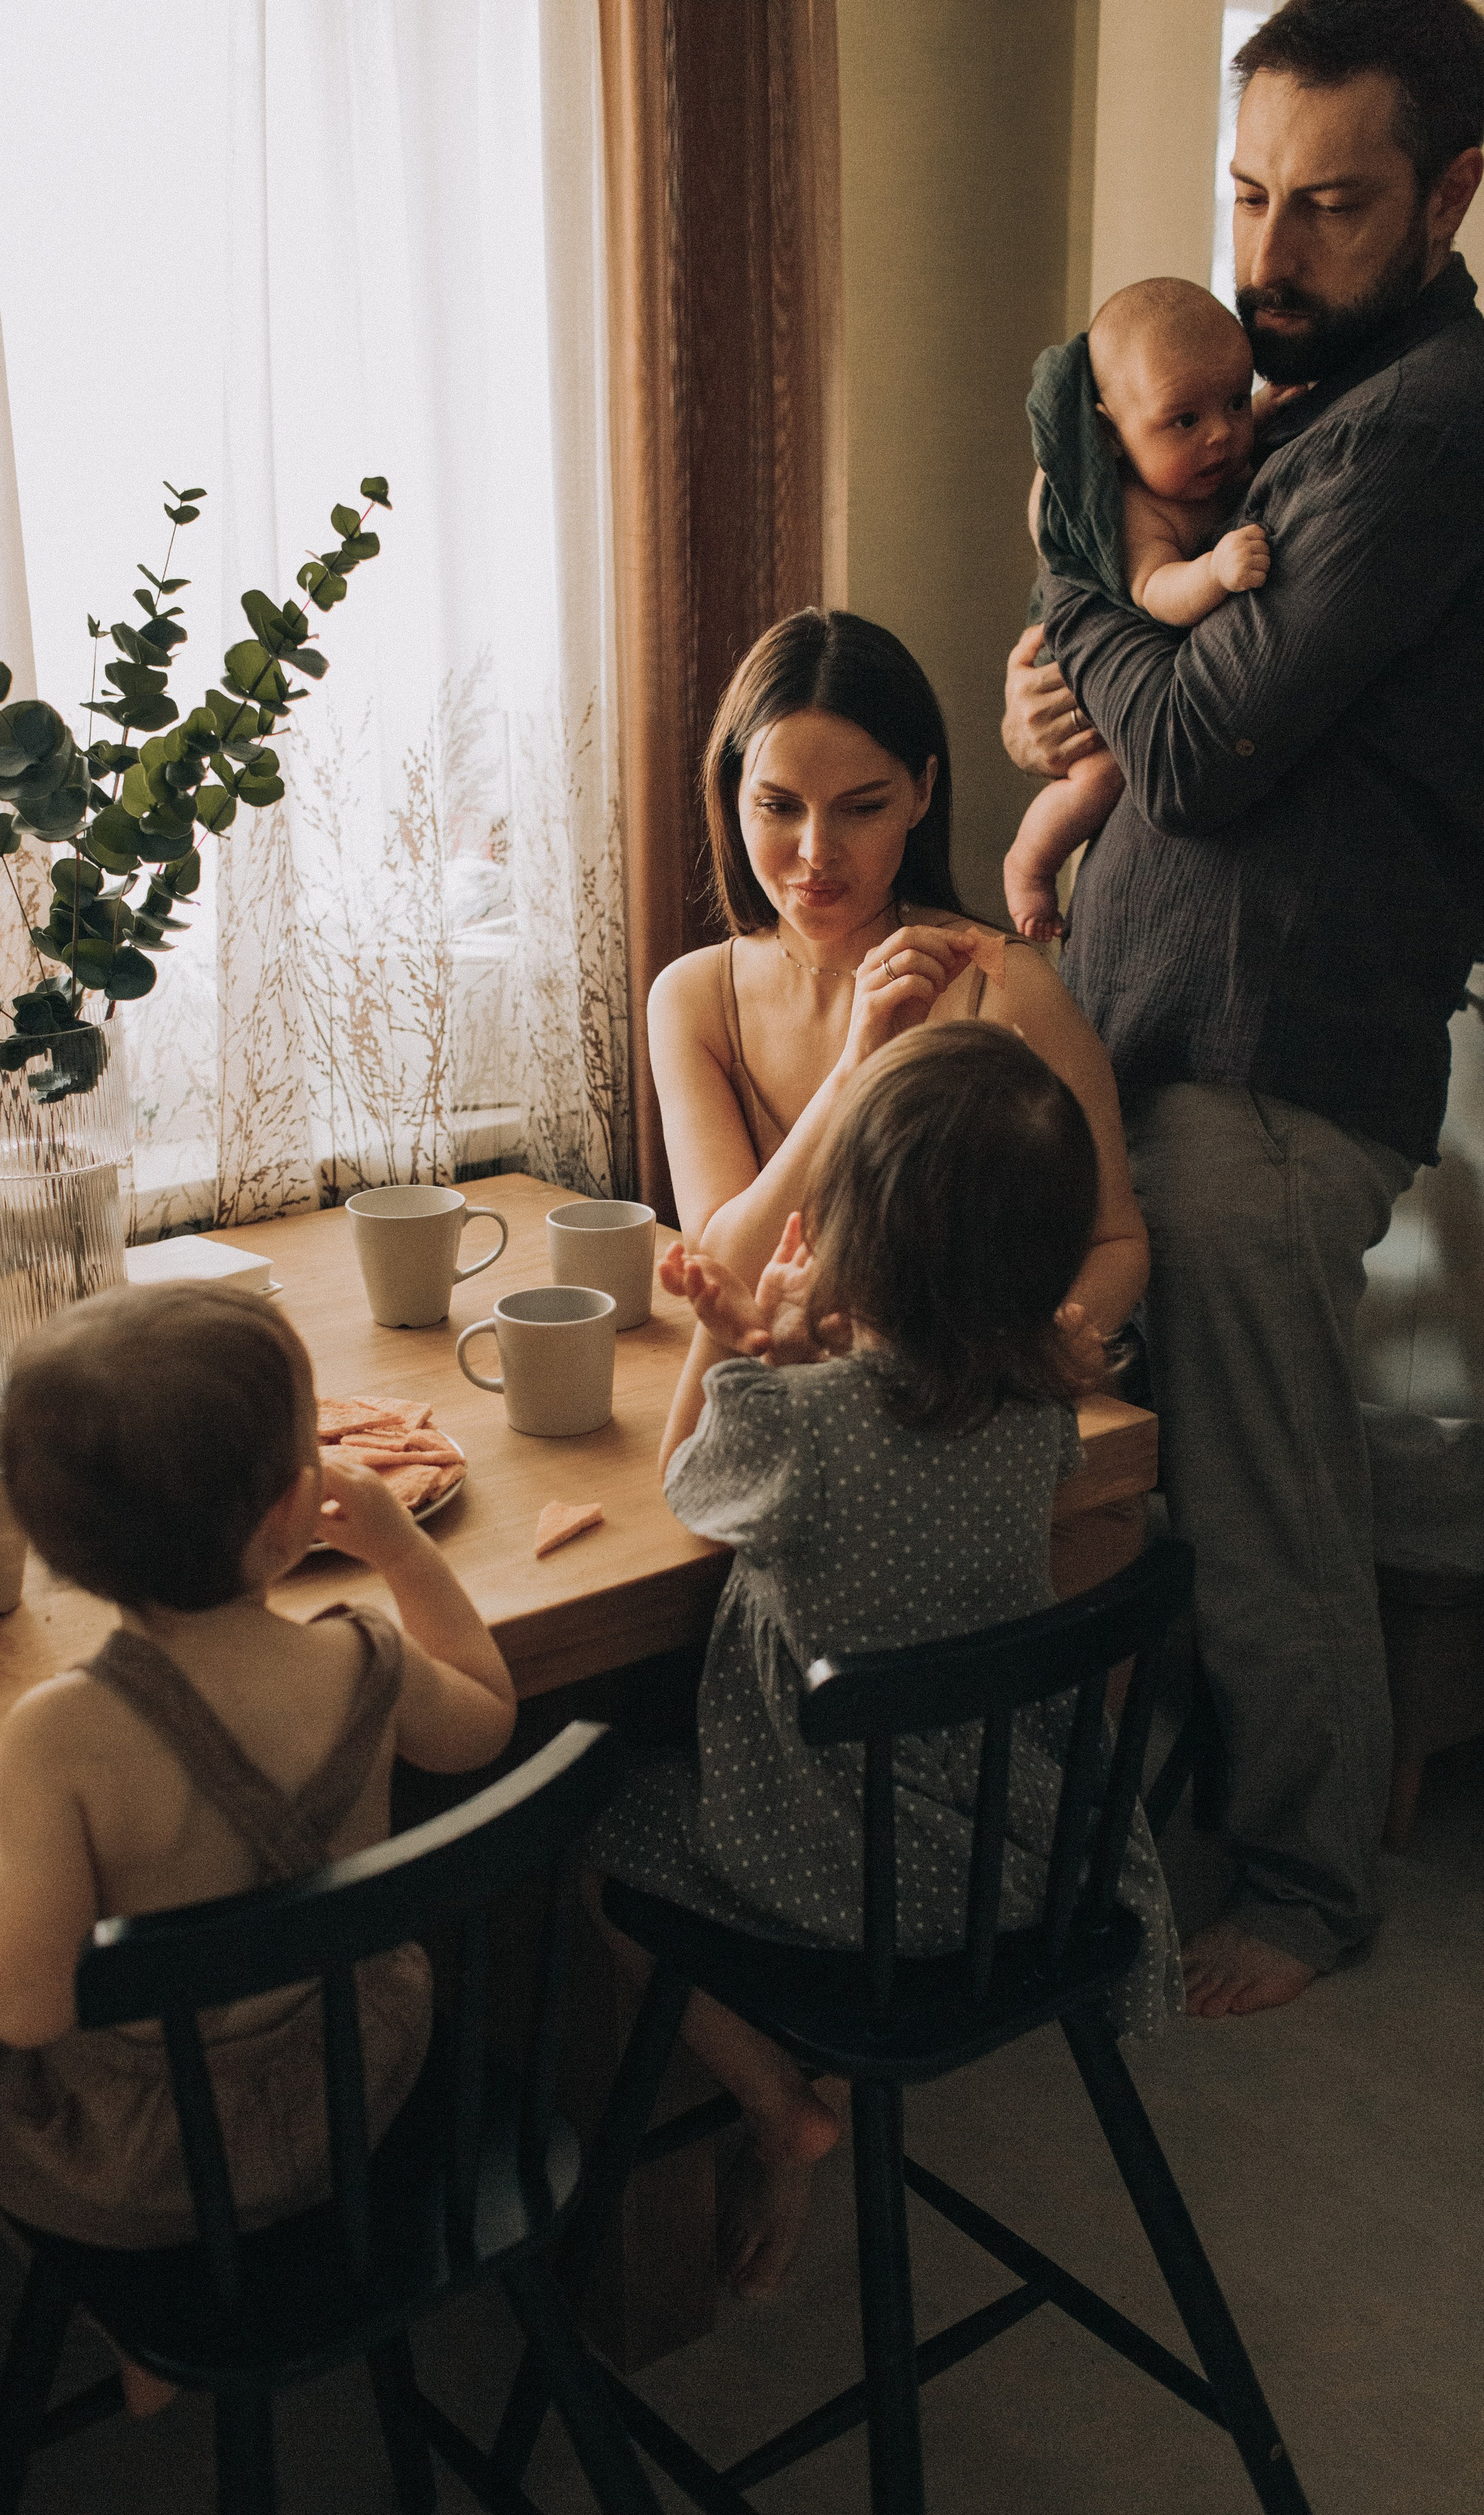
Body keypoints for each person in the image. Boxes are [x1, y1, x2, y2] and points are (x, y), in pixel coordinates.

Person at [1000, 0, 1484, 2017]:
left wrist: (1081, 631)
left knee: (1265, 1480)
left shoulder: (1427, 420)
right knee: (1098, 1442)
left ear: (1452, 195)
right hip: (1144, 1035)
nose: (1269, 254)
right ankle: (1083, 1812)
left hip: (1280, 1070)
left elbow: (1197, 748)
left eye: (1334, 205)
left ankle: (1302, 1882)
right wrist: (1075, 676)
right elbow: (1144, 689)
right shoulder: (1266, 406)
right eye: (1247, 194)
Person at [591, 1024, 1183, 2299]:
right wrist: (800, 1349)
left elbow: (684, 1486)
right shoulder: (1036, 1412)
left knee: (575, 1844)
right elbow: (922, 1421)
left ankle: (774, 2100)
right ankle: (782, 2108)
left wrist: (729, 1346)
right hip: (1006, 1862)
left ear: (844, 1231)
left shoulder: (800, 1424)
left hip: (834, 1881)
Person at [0, 1282, 514, 2412]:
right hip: (372, 2090)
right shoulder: (362, 1661)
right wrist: (395, 1548)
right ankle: (171, 2310)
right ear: (294, 1507)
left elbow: (21, 2004)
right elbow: (484, 1711)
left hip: (160, 2171)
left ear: (51, 1552)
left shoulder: (61, 1737)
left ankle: (128, 2312)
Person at [648, 608, 1149, 1400]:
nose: (816, 852)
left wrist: (1040, 1350)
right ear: (733, 793)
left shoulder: (1002, 982)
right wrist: (857, 1066)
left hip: (970, 1414)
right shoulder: (693, 998)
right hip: (781, 1413)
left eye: (862, 807)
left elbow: (1116, 1239)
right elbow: (725, 1271)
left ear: (920, 792)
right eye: (779, 807)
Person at [1004, 280, 1275, 942]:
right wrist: (1212, 571)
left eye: (1235, 401)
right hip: (1076, 677)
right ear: (1112, 434)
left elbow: (1228, 422)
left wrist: (1271, 408)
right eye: (1184, 421)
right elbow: (1157, 591)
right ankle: (1030, 865)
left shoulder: (1199, 458)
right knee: (1100, 778)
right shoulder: (1140, 509)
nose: (1220, 436)